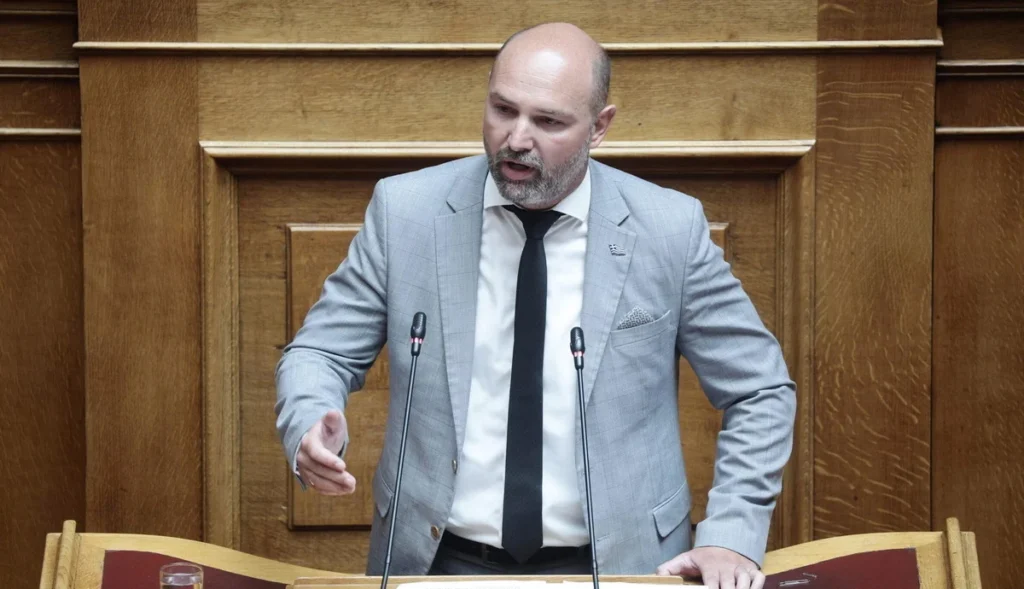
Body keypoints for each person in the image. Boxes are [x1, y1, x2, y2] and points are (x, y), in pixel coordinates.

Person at [275, 22, 795, 589]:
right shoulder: (406, 213)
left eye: (548, 122)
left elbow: (759, 389)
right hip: (436, 562)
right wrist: (309, 422)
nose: (516, 138)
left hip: (623, 565)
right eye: (503, 110)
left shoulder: (669, 229)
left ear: (600, 127)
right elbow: (321, 352)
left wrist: (730, 532)